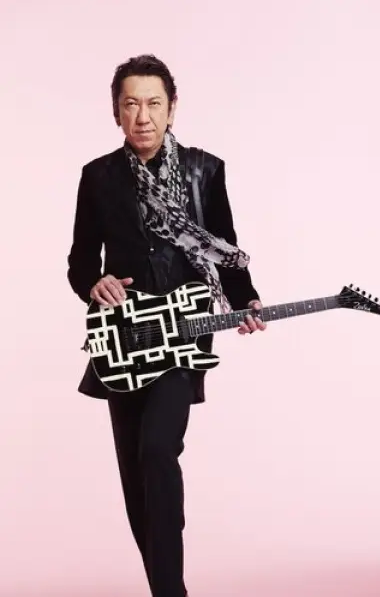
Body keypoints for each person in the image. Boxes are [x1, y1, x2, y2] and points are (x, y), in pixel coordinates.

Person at [67, 54, 266, 597]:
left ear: (172, 108)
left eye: (154, 103)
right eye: (131, 104)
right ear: (116, 112)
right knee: (136, 480)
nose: (143, 116)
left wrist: (245, 299)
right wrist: (94, 283)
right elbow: (81, 261)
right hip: (122, 339)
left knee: (158, 451)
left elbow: (225, 249)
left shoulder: (206, 170)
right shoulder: (98, 177)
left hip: (183, 336)